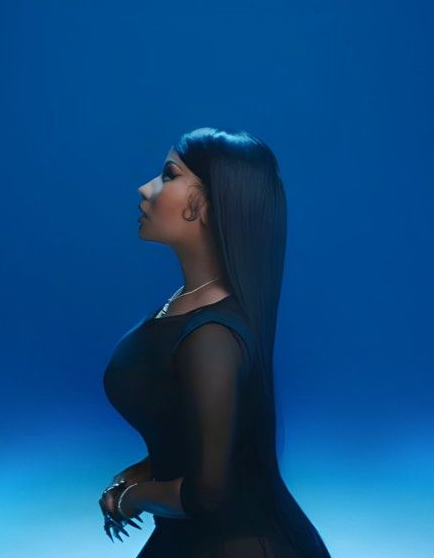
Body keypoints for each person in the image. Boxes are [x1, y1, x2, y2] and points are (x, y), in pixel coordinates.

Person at [100, 126, 333, 556]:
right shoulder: (185, 308)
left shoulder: (212, 337)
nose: (146, 188)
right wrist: (136, 474)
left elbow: (209, 494)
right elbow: (192, 438)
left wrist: (132, 499)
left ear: (204, 204)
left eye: (169, 175)